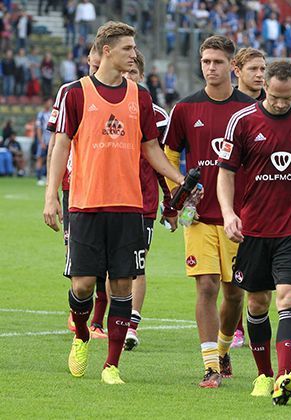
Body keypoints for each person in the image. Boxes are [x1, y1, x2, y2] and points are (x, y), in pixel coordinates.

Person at [42, 21, 185, 385]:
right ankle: (81, 334)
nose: (133, 54)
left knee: (122, 285)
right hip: (86, 205)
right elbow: (60, 145)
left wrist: (180, 178)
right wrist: (51, 197)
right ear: (107, 50)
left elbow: (151, 149)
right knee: (83, 286)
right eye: (127, 48)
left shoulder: (141, 96)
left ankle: (112, 365)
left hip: (128, 207)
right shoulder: (74, 93)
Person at [217, 60, 291, 405]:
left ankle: (284, 377)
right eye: (275, 96)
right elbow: (226, 173)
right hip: (254, 229)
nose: (281, 103)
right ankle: (263, 374)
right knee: (256, 301)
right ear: (264, 85)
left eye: (288, 97)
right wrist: (228, 213)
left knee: (289, 298)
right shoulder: (242, 121)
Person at [162, 35, 255, 389]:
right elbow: (169, 154)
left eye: (217, 62)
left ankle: (223, 347)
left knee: (234, 294)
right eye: (205, 62)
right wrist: (178, 193)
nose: (210, 68)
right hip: (198, 216)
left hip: (239, 218)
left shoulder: (249, 110)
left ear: (232, 67)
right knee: (206, 286)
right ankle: (210, 366)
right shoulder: (185, 109)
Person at [46, 45, 110, 339]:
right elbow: (58, 142)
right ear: (89, 60)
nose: (98, 70)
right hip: (75, 187)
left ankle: (96, 321)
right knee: (79, 259)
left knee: (109, 265)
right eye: (94, 65)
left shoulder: (121, 92)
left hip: (110, 188)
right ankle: (81, 318)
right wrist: (53, 190)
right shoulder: (71, 91)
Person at [122, 49, 176, 351]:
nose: (128, 78)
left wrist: (169, 202)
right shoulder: (107, 107)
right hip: (110, 199)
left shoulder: (158, 117)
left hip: (143, 201)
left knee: (137, 265)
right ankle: (111, 320)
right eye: (125, 73)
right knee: (112, 268)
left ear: (141, 76)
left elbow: (161, 163)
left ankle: (132, 325)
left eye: (133, 73)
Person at [228, 46, 267, 348]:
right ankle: (234, 328)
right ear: (237, 70)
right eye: (253, 69)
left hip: (264, 201)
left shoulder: (273, 107)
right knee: (232, 273)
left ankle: (254, 323)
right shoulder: (231, 110)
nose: (259, 75)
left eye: (263, 69)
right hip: (232, 201)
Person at [35, 98, 53, 185]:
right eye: (49, 102)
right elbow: (38, 128)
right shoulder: (41, 115)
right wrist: (41, 141)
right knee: (40, 158)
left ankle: (46, 176)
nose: (50, 104)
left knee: (49, 158)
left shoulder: (52, 113)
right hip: (43, 140)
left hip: (50, 139)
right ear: (45, 103)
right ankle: (38, 177)